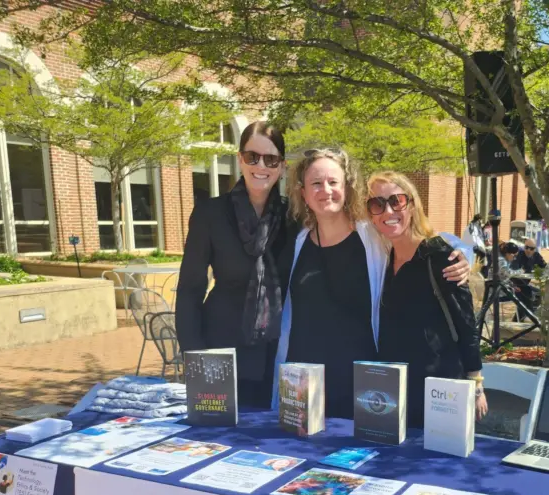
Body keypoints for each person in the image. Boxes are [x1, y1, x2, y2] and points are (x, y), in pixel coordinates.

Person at [273, 149, 470, 418]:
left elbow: (424, 240)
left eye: (333, 182)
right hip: (304, 388)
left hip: (363, 385)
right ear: (303, 193)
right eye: (316, 183)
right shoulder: (297, 242)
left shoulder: (372, 236)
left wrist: (462, 254)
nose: (325, 190)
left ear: (347, 187)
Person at [176, 121, 290, 407]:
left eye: (271, 159)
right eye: (252, 156)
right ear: (240, 159)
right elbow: (190, 289)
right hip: (221, 347)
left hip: (278, 352)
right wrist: (195, 357)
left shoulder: (294, 217)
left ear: (282, 166)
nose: (260, 165)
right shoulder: (210, 213)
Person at [367, 171, 487, 429]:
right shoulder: (384, 260)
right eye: (377, 204)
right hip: (395, 394)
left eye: (396, 201)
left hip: (440, 393)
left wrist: (476, 384)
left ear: (412, 205)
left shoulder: (439, 256)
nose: (388, 211)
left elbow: (466, 325)